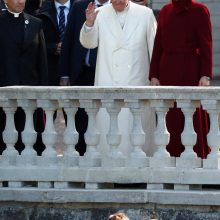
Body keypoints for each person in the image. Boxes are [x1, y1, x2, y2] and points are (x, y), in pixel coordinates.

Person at [80, 0, 157, 156]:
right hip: (108, 82)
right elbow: (89, 43)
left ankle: (139, 175)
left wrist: (155, 76)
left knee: (137, 139)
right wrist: (89, 23)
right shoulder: (100, 14)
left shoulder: (145, 14)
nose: (118, 1)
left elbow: (155, 49)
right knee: (110, 140)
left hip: (137, 82)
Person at [149, 0, 212, 158]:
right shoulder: (165, 10)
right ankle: (171, 157)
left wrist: (205, 74)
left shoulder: (200, 10)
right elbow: (158, 45)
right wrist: (154, 74)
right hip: (167, 69)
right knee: (171, 116)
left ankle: (198, 157)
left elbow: (206, 44)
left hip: (191, 69)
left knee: (192, 113)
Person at [59, 0, 110, 156]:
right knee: (79, 121)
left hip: (105, 75)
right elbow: (68, 40)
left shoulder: (115, 9)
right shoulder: (80, 6)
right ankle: (80, 157)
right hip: (80, 74)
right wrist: (65, 73)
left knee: (103, 120)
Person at [0, 0, 48, 155]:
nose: (21, 1)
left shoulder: (35, 23)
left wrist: (43, 90)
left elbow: (42, 61)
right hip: (4, 91)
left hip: (30, 92)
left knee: (29, 138)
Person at [38, 0, 73, 86]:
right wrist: (53, 47)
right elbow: (34, 44)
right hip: (50, 71)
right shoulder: (40, 12)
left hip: (77, 71)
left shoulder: (83, 8)